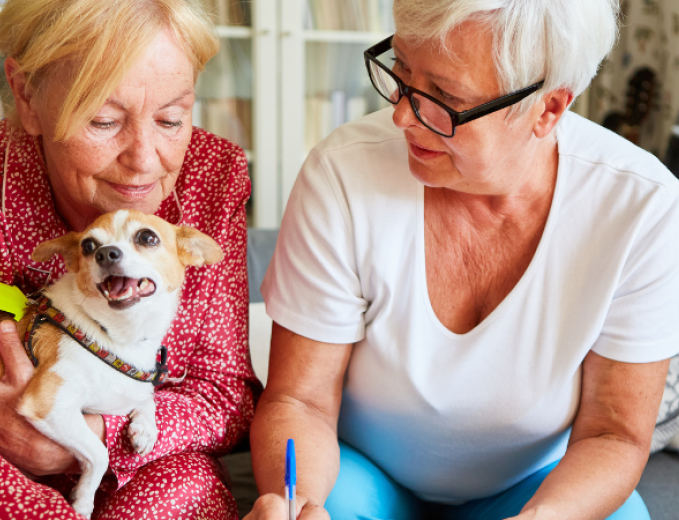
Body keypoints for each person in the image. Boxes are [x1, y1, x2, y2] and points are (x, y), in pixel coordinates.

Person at [248, 1, 679, 519]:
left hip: (532, 484)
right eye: (402, 71)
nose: (402, 114)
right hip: (359, 472)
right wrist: (301, 505)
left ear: (547, 110)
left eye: (445, 98)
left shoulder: (642, 206)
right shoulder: (341, 173)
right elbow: (301, 401)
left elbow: (613, 433)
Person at [0, 0, 260, 518]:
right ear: (27, 97)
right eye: (103, 120)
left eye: (171, 118)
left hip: (139, 465)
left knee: (186, 491)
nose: (144, 159)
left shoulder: (212, 172)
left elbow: (224, 394)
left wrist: (85, 437)